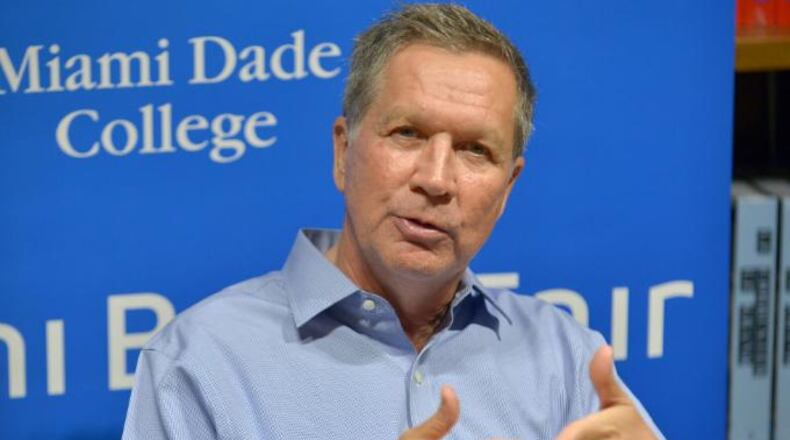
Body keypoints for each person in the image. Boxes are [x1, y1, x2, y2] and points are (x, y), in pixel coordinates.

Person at [122, 4, 664, 439]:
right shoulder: (198, 365)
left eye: (476, 150)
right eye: (407, 134)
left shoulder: (567, 359)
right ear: (343, 152)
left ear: (507, 188)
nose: (436, 178)